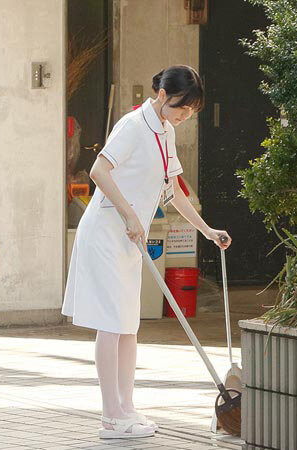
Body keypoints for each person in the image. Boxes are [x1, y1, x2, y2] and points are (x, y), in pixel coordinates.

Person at [62, 65, 232, 439]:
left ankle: (126, 409)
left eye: (191, 110)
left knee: (128, 326)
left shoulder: (165, 130)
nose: (185, 115)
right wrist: (128, 213)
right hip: (106, 233)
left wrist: (207, 231)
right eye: (182, 107)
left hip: (128, 238)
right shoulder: (132, 125)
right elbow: (99, 171)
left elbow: (174, 191)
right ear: (162, 95)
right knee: (112, 324)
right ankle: (111, 417)